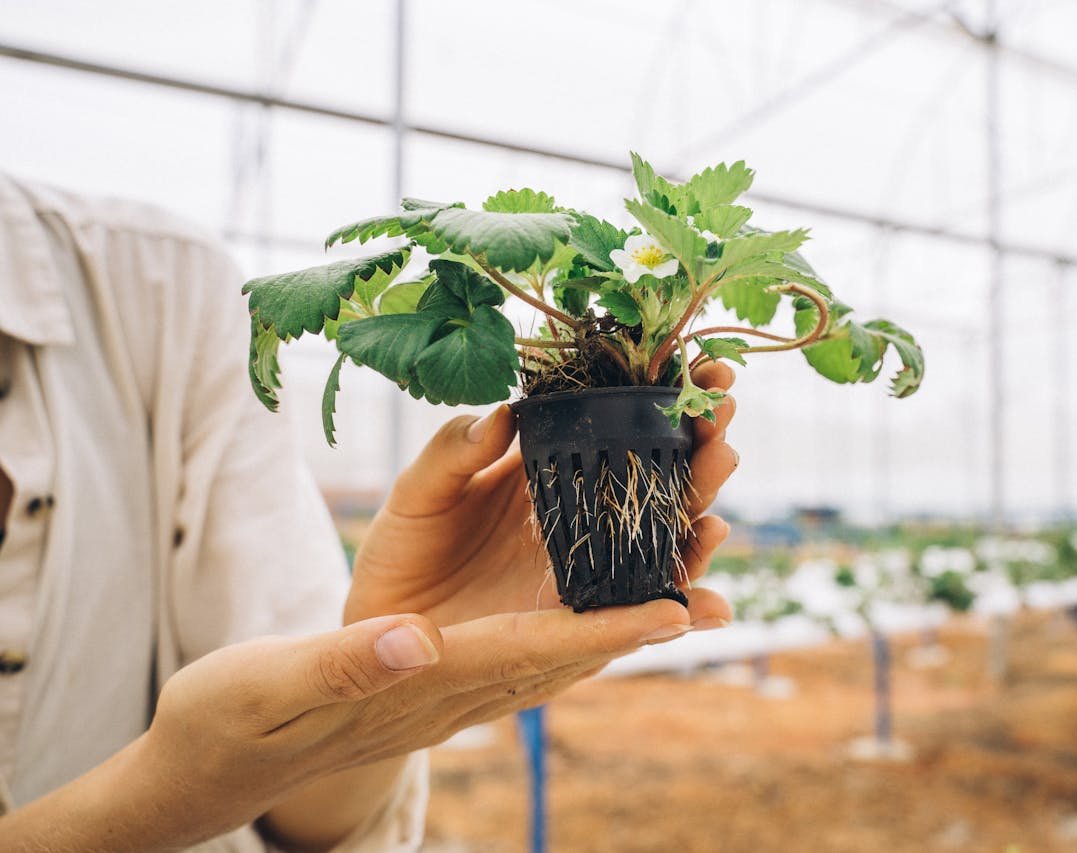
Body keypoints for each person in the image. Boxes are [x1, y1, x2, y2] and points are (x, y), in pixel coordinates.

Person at [0, 173, 738, 850]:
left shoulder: (156, 283)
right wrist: (163, 792)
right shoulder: (159, 283)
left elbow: (310, 802)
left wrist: (366, 712)